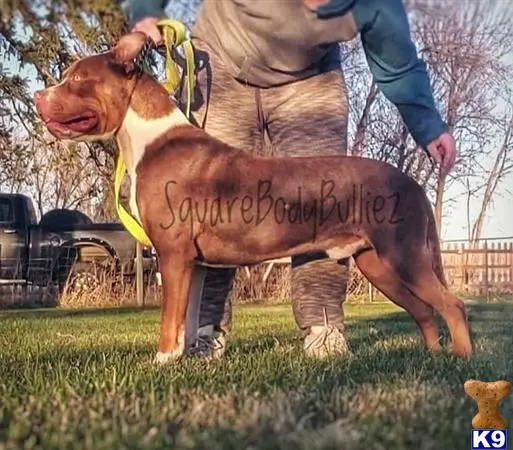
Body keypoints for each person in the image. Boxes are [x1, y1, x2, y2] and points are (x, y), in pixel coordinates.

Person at [124, 0, 457, 359]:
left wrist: (429, 125)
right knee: (209, 208)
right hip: (220, 62)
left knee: (327, 205)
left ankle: (324, 326)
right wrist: (145, 12)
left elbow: (398, 62)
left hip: (310, 79)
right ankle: (205, 330)